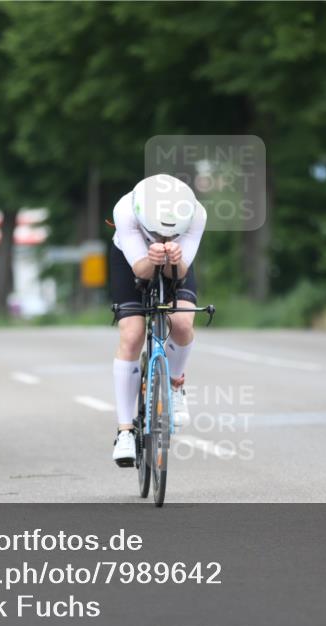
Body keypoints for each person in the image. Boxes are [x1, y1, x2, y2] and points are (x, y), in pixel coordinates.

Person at [109, 174, 206, 466]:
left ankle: (175, 384)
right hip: (132, 260)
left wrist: (173, 259)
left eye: (172, 234)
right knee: (132, 334)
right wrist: (153, 258)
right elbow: (140, 270)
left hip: (176, 263)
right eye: (157, 232)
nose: (164, 238)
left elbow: (180, 273)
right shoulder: (125, 209)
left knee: (183, 323)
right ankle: (125, 431)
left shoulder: (197, 214)